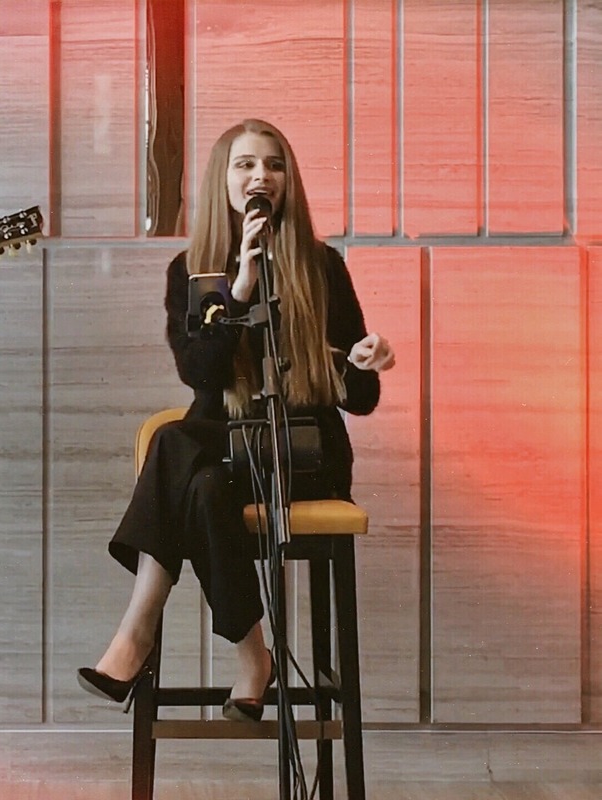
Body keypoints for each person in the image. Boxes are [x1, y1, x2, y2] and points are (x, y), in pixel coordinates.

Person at [77, 118, 394, 722]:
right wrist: (241, 289)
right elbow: (200, 375)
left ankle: (137, 633)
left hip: (302, 454)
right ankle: (254, 660)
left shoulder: (322, 266)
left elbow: (360, 399)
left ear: (288, 180)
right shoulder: (192, 271)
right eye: (245, 165)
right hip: (224, 454)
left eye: (273, 164)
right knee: (199, 483)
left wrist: (366, 361)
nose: (261, 176)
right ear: (222, 182)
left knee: (173, 445)